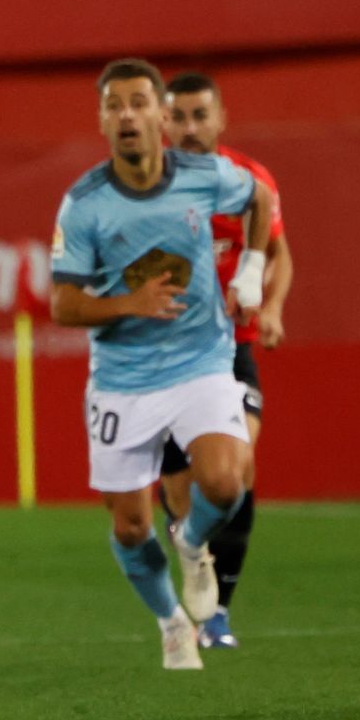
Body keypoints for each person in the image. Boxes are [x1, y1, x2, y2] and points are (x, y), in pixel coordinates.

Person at [49, 58, 274, 670]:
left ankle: (194, 541)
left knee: (227, 482)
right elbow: (63, 305)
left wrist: (253, 269)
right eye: (113, 104)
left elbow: (261, 196)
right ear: (101, 120)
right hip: (124, 379)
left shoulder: (203, 176)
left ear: (159, 115)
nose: (127, 114)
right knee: (128, 526)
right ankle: (172, 622)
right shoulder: (84, 205)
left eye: (139, 102)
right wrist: (130, 302)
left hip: (201, 358)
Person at [158, 71, 294, 648]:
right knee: (185, 492)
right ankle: (190, 550)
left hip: (229, 352)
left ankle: (218, 616)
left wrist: (272, 307)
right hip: (162, 357)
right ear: (164, 123)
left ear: (221, 119)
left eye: (200, 116)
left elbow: (280, 255)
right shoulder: (144, 188)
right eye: (179, 117)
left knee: (233, 472)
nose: (190, 128)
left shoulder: (250, 183)